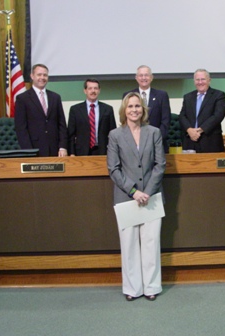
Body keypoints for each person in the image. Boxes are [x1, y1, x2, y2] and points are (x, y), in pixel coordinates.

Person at [107, 92, 166, 302]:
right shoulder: (115, 135)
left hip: (152, 197)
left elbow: (160, 165)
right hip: (126, 198)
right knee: (130, 245)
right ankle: (132, 288)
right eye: (130, 106)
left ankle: (151, 286)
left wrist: (147, 191)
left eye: (138, 106)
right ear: (124, 110)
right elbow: (113, 169)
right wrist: (134, 191)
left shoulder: (154, 132)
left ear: (143, 109)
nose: (134, 110)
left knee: (151, 244)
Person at [15, 64, 68, 157]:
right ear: (32, 76)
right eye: (39, 75)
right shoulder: (22, 99)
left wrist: (62, 147)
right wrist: (29, 152)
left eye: (45, 75)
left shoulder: (55, 97)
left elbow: (62, 124)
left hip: (55, 149)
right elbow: (21, 128)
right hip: (34, 149)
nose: (42, 78)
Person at [123, 65, 171, 152]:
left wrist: (156, 139)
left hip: (157, 143)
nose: (143, 78)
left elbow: (166, 121)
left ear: (151, 77)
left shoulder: (162, 95)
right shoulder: (128, 95)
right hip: (134, 144)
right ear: (136, 78)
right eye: (141, 75)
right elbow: (125, 119)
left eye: (146, 75)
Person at [179, 69, 225, 153]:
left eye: (203, 79)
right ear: (194, 81)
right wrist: (189, 130)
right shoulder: (188, 97)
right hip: (190, 141)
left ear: (209, 80)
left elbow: (218, 115)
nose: (200, 82)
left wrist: (200, 130)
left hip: (210, 142)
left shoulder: (218, 95)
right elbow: (182, 116)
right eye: (197, 80)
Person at [68, 79, 116, 155]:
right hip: (81, 152)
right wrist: (71, 153)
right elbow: (71, 134)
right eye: (90, 88)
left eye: (95, 88)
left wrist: (113, 152)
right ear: (85, 91)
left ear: (99, 90)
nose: (93, 91)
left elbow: (113, 133)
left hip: (103, 151)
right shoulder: (75, 110)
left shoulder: (108, 109)